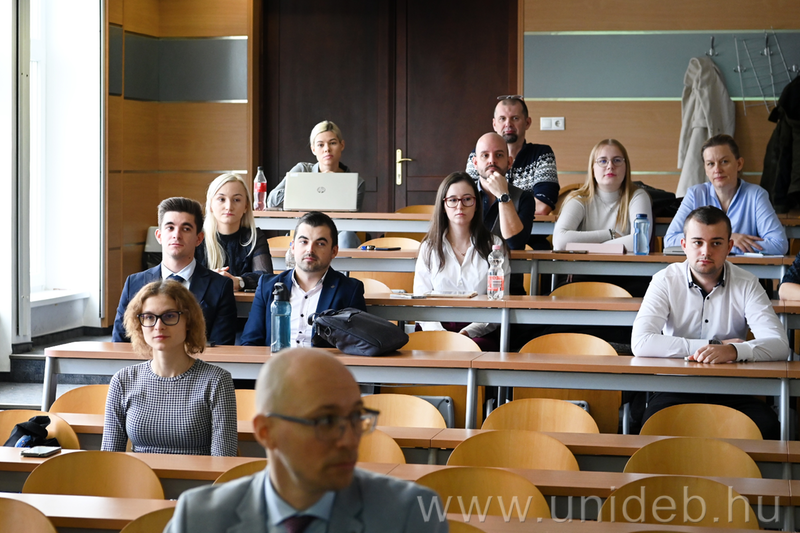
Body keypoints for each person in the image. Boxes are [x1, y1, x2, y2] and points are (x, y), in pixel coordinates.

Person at [164, 348, 447, 533]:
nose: (349, 440)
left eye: (355, 418)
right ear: (266, 432)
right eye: (326, 421)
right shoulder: (199, 518)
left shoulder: (410, 514)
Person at [632, 206, 789, 439]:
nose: (706, 251)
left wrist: (733, 351)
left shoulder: (747, 283)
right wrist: (714, 345)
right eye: (697, 242)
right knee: (654, 427)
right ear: (684, 245)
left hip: (732, 390)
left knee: (766, 428)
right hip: (675, 388)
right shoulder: (664, 280)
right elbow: (641, 342)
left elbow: (779, 344)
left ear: (729, 246)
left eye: (716, 243)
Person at [102, 280, 237, 456]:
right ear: (139, 324)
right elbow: (110, 459)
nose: (159, 326)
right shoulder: (123, 380)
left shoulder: (217, 381)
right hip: (139, 474)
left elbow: (223, 460)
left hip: (199, 475)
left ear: (188, 321)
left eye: (170, 316)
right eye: (149, 317)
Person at [112, 197, 237, 346]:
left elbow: (222, 346)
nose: (176, 235)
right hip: (145, 360)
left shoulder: (220, 286)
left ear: (199, 238)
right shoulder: (134, 284)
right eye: (170, 228)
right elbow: (120, 343)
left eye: (186, 229)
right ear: (159, 236)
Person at [240, 211, 366, 347]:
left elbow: (359, 345)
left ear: (334, 251)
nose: (310, 250)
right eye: (304, 242)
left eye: (320, 244)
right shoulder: (267, 286)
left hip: (323, 361)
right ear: (293, 247)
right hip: (276, 360)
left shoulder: (349, 290)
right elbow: (250, 342)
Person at [414, 172, 509, 351]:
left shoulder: (494, 245)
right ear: (443, 205)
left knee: (475, 349)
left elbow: (498, 302)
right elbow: (420, 301)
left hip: (479, 329)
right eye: (452, 200)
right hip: (435, 327)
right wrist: (440, 333)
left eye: (467, 199)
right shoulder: (429, 247)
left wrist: (466, 333)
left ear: (476, 204)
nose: (460, 206)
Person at [665, 134, 788, 256]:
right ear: (705, 169)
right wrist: (728, 239)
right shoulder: (695, 194)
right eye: (710, 164)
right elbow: (670, 240)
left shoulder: (756, 195)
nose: (717, 170)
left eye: (724, 162)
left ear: (739, 164)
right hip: (704, 267)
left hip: (742, 268)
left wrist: (718, 244)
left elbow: (779, 244)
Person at [267, 120, 364, 249]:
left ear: (342, 145)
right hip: (304, 232)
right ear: (313, 149)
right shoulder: (302, 170)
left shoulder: (356, 182)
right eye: (320, 145)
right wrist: (307, 186)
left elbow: (352, 223)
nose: (327, 149)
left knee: (347, 237)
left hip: (337, 235)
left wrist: (333, 185)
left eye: (332, 143)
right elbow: (272, 201)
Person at [466, 95, 559, 219]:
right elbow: (467, 200)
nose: (508, 124)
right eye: (502, 119)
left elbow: (542, 206)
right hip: (483, 230)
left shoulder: (542, 154)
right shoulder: (478, 155)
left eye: (515, 118)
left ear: (527, 123)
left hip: (530, 230)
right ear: (494, 124)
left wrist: (497, 211)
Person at [553, 139, 653, 252]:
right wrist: (610, 234)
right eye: (603, 161)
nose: (610, 166)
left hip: (621, 264)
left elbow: (639, 242)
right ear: (592, 169)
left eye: (617, 160)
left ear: (626, 167)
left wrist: (591, 247)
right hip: (583, 264)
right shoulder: (579, 198)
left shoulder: (637, 196)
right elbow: (560, 241)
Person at [196, 172, 273, 291]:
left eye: (236, 200)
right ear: (210, 205)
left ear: (246, 206)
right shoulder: (197, 237)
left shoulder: (254, 236)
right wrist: (208, 278)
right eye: (221, 199)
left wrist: (239, 282)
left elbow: (266, 277)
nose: (229, 206)